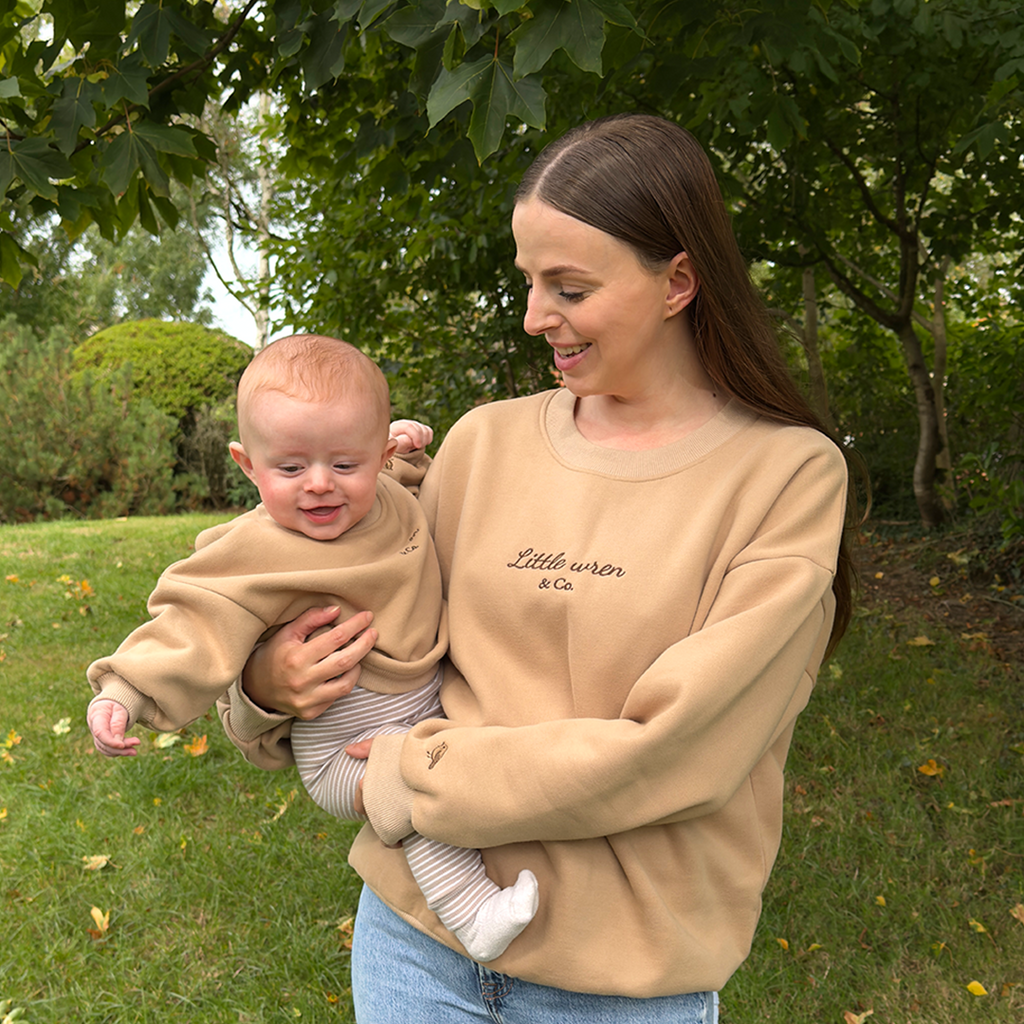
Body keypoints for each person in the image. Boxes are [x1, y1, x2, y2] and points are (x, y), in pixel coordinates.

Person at [217, 114, 854, 1022]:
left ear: (678, 280)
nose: (533, 317)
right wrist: (264, 683)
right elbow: (339, 600)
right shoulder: (483, 444)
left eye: (570, 286)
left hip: (619, 979)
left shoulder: (783, 475)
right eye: (529, 281)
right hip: (415, 942)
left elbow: (677, 749)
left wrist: (413, 777)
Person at [85, 333, 538, 963]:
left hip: (426, 710)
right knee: (414, 795)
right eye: (291, 468)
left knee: (439, 772)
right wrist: (126, 690)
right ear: (248, 465)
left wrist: (404, 447)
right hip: (340, 752)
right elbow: (190, 620)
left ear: (375, 458)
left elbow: (414, 472)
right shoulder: (252, 550)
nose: (320, 486)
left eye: (345, 465)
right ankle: (473, 915)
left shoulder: (391, 500)